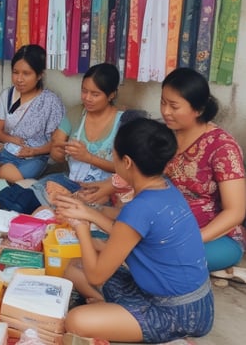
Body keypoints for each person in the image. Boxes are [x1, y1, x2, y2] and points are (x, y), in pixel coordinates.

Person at [55, 118, 213, 343]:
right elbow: (128, 231)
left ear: (127, 162)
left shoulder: (140, 207)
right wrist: (89, 213)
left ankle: (168, 336)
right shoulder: (166, 188)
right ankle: (111, 314)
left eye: (114, 155)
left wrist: (81, 226)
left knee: (76, 320)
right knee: (73, 267)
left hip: (178, 313)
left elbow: (96, 274)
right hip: (191, 300)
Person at [83, 68, 246, 275]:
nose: (165, 111)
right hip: (161, 225)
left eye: (174, 106)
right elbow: (141, 168)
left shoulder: (222, 147)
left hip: (211, 236)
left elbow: (235, 212)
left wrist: (190, 237)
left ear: (199, 109)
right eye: (163, 102)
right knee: (104, 242)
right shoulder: (164, 134)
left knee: (151, 257)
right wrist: (108, 186)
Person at [42, 63, 124, 199]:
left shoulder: (123, 123)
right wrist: (58, 153)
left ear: (111, 95)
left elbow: (125, 170)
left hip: (103, 189)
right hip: (72, 181)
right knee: (33, 192)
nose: (87, 98)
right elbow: (56, 149)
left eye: (95, 94)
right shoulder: (75, 113)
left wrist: (88, 158)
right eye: (84, 91)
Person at [0, 44, 65, 182]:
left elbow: (58, 143)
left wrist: (34, 151)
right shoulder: (7, 95)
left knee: (8, 176)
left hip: (36, 158)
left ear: (39, 75)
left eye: (26, 73)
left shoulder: (50, 101)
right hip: (8, 151)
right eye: (15, 72)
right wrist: (14, 140)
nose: (19, 79)